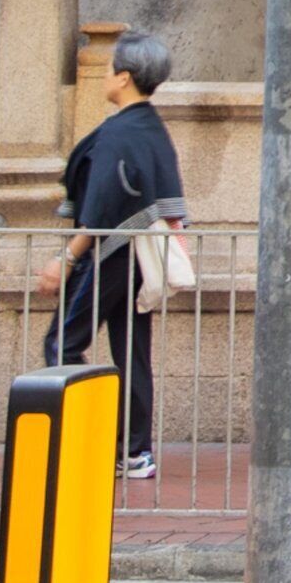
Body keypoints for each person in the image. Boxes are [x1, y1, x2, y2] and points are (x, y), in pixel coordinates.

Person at [31, 31, 186, 481]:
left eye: (108, 70)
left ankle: (84, 436)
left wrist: (65, 260)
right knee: (132, 350)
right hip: (141, 257)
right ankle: (134, 451)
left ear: (124, 77)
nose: (104, 77)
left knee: (62, 342)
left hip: (110, 254)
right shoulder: (151, 126)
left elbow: (98, 212)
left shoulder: (120, 131)